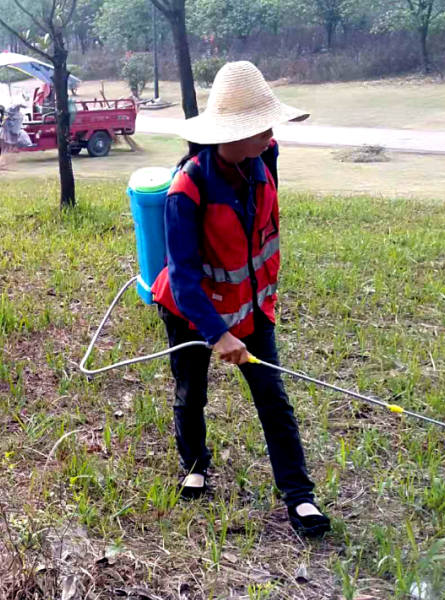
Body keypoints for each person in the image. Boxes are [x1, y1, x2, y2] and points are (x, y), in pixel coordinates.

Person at [149, 61, 330, 538]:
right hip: (191, 314)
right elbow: (184, 278)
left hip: (252, 310)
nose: (270, 134)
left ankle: (300, 496)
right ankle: (194, 464)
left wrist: (243, 320)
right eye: (260, 127)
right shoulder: (185, 191)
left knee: (273, 399)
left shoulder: (264, 158)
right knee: (192, 393)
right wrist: (217, 333)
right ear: (233, 133)